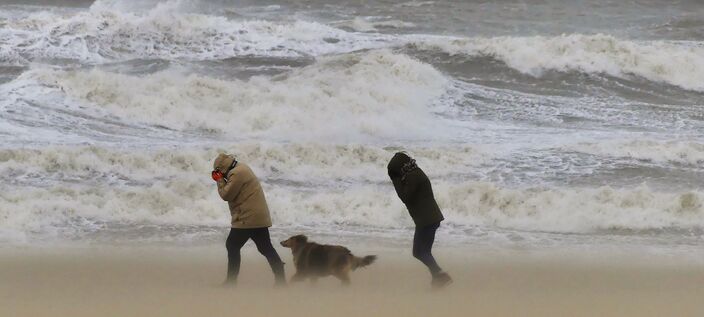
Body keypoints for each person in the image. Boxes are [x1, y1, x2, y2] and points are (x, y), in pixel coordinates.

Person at [212, 153, 286, 286]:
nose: (218, 173)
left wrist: (219, 180)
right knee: (265, 248)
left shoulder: (236, 173)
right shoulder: (242, 168)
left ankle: (231, 282)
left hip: (247, 217)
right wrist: (222, 178)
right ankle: (281, 279)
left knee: (232, 245)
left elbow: (226, 195)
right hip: (258, 216)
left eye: (218, 171)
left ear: (222, 167)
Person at [387, 152, 452, 288]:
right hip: (429, 218)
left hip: (427, 220)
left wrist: (396, 181)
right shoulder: (414, 173)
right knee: (424, 252)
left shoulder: (413, 176)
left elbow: (405, 197)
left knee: (418, 252)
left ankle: (439, 274)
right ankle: (437, 279)